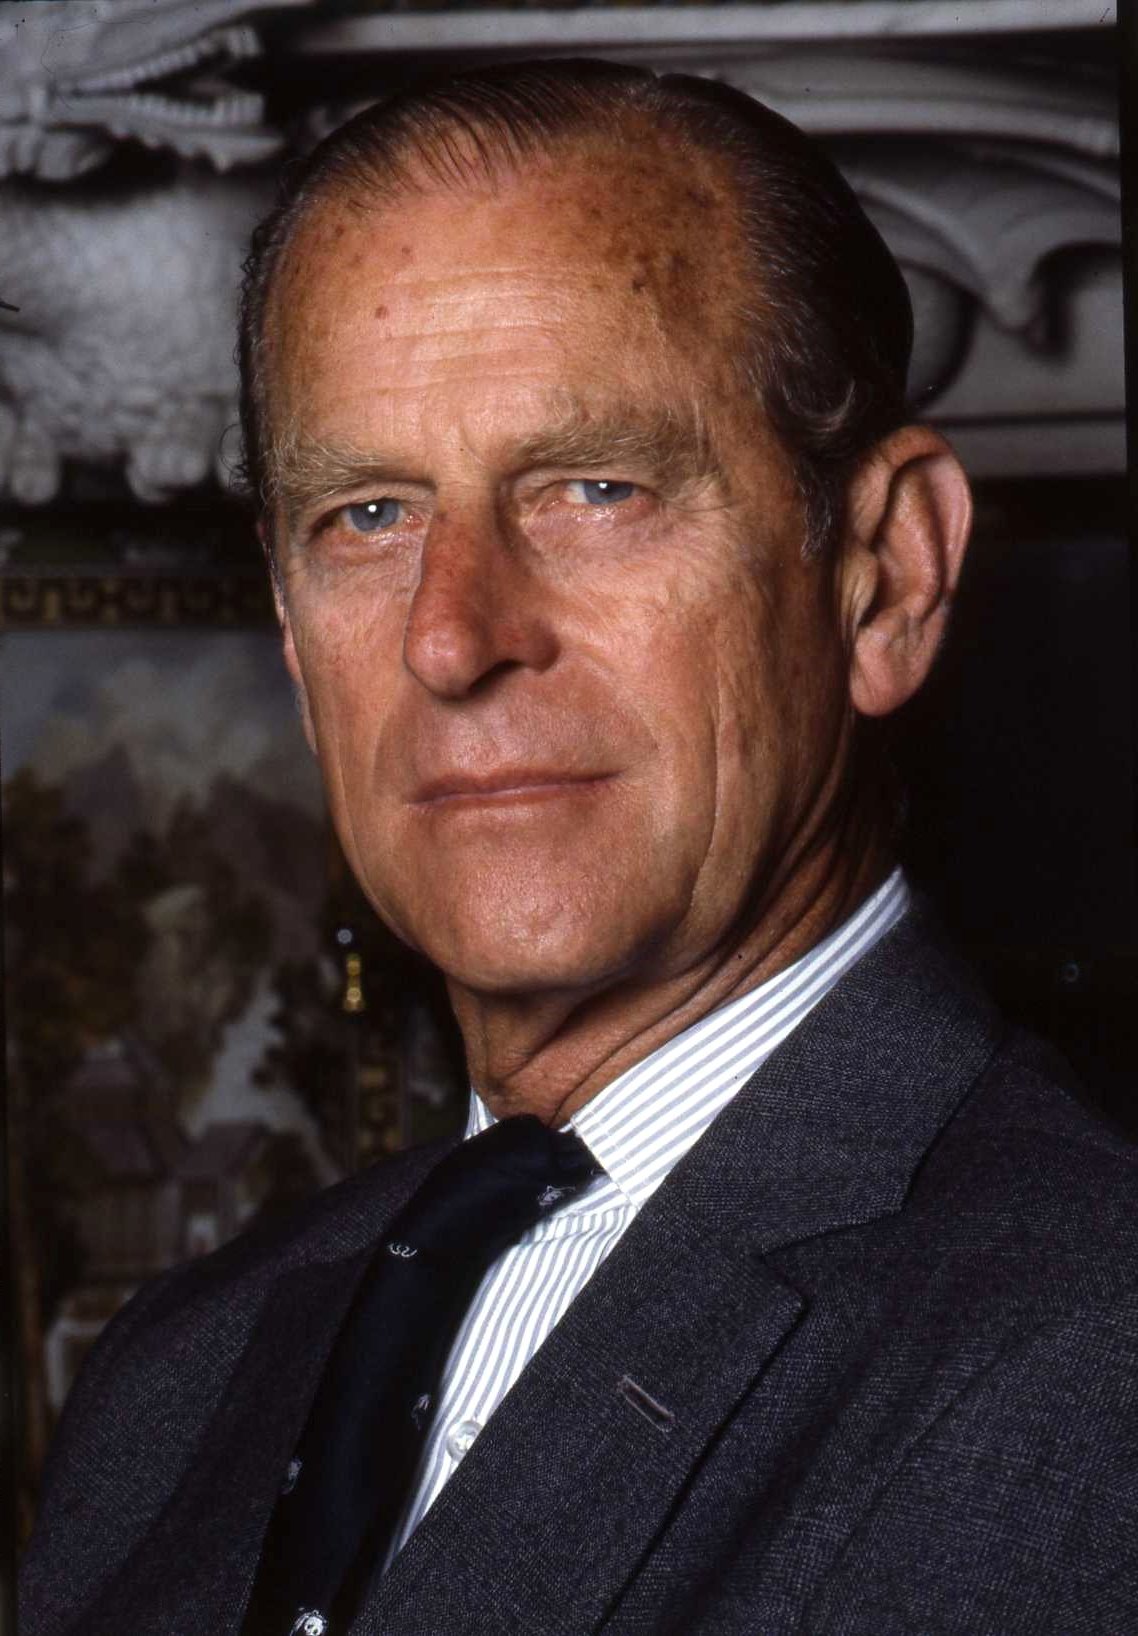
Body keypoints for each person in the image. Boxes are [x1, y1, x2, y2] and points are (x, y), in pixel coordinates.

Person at [21, 58, 1138, 1636]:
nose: (451, 637)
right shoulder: (173, 1379)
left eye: (595, 488)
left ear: (883, 579)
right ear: (288, 624)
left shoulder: (1093, 1357)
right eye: (368, 515)